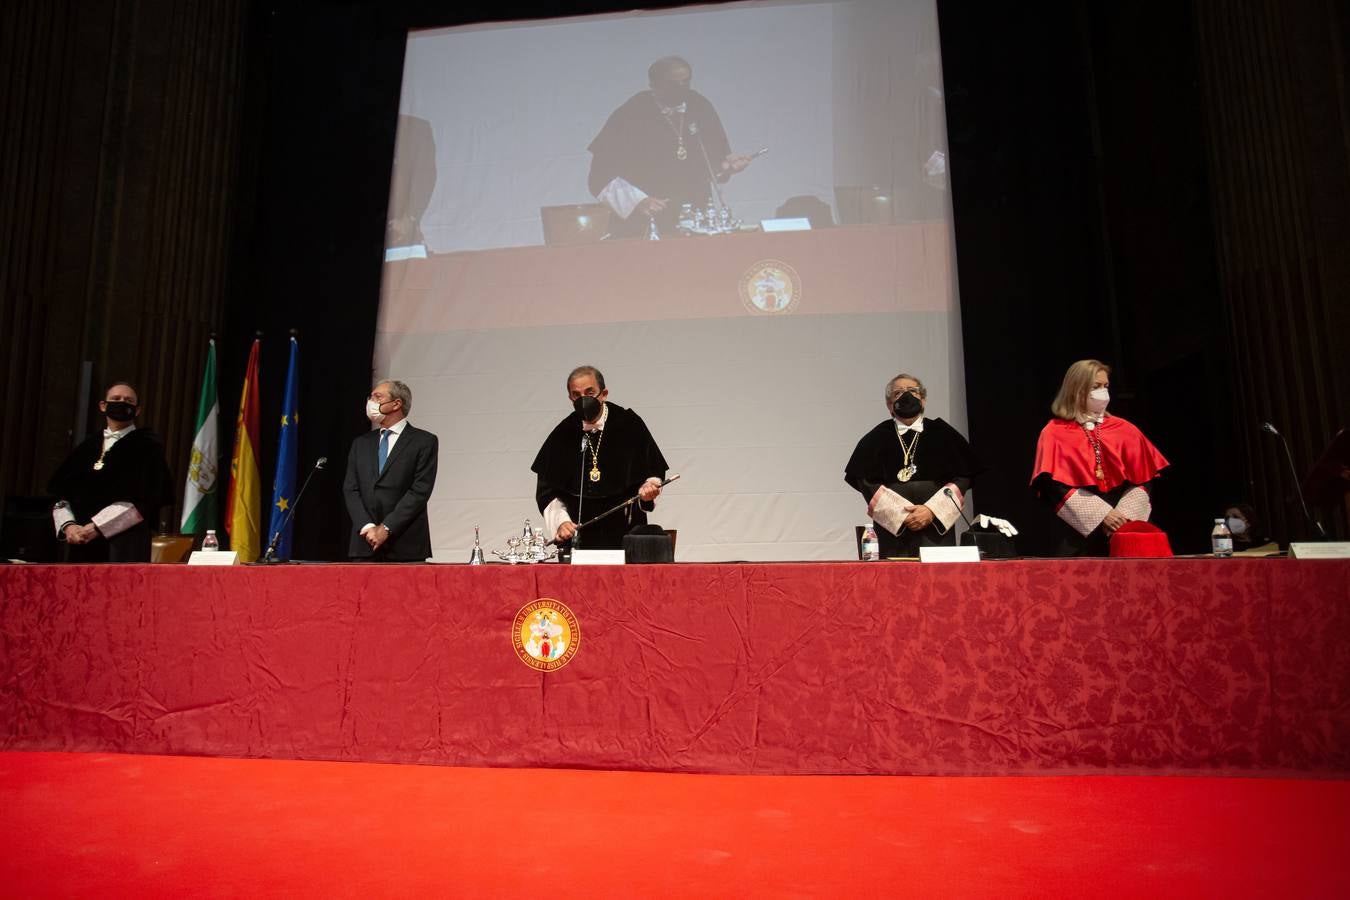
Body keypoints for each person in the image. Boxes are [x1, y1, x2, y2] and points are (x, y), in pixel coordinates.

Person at [587, 56, 755, 239]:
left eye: (686, 82)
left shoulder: (699, 106)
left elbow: (714, 164)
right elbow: (600, 177)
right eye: (674, 84)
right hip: (646, 221)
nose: (683, 89)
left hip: (696, 219)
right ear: (654, 84)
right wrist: (638, 202)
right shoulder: (632, 113)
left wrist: (725, 167)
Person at [1031, 360, 1169, 556]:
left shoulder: (1125, 429)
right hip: (1078, 534)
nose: (1102, 392)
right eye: (1095, 387)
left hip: (1126, 531)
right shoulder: (1054, 432)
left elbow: (1144, 477)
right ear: (1076, 390)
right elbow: (1052, 484)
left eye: (1105, 386)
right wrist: (1103, 515)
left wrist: (1123, 520)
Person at [531, 366, 668, 551]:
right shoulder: (563, 433)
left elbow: (653, 472)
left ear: (603, 394)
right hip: (579, 539)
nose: (583, 400)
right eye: (576, 395)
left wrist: (649, 489)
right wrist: (561, 523)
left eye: (589, 392)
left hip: (628, 535)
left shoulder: (629, 424)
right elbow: (547, 493)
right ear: (570, 398)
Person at [845, 374, 982, 558]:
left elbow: (964, 476)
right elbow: (865, 482)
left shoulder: (943, 433)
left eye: (912, 391)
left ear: (923, 400)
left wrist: (932, 510)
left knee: (937, 581)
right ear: (889, 405)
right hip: (894, 530)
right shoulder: (876, 437)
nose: (906, 396)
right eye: (898, 393)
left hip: (935, 526)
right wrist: (901, 515)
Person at [48, 381, 173, 562]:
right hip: (81, 542)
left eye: (128, 401)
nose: (122, 403)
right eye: (116, 399)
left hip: (125, 545)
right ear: (103, 406)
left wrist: (97, 527)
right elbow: (60, 492)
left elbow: (146, 499)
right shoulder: (86, 446)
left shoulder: (147, 446)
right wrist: (69, 526)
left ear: (137, 410)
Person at [343, 380, 439, 561]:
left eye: (377, 397)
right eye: (370, 397)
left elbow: (420, 491)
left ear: (396, 404)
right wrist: (367, 527)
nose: (371, 402)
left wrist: (386, 528)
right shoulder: (361, 443)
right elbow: (351, 489)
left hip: (405, 544)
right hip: (365, 544)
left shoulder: (424, 441)